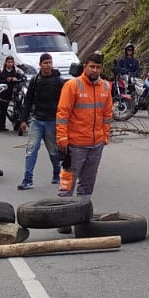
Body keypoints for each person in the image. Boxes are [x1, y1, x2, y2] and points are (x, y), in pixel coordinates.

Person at [56, 52, 114, 197]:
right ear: (85, 67)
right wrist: (62, 138)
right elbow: (63, 114)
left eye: (98, 67)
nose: (95, 70)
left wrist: (104, 136)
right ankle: (61, 207)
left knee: (88, 185)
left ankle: (83, 208)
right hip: (75, 145)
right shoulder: (72, 85)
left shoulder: (106, 87)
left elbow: (107, 115)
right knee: (66, 184)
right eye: (92, 67)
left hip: (96, 145)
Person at [18, 52, 64, 190]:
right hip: (37, 120)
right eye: (45, 63)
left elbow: (65, 103)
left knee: (54, 151)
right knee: (31, 149)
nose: (48, 65)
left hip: (52, 121)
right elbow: (28, 101)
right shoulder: (35, 80)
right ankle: (27, 179)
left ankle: (57, 172)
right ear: (40, 65)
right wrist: (23, 120)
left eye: (50, 62)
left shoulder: (59, 81)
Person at [0, 55, 27, 135]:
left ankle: (5, 125)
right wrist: (7, 80)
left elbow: (21, 78)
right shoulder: (2, 71)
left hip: (11, 91)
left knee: (6, 109)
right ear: (5, 63)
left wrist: (16, 79)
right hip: (2, 92)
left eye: (11, 62)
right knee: (0, 109)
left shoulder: (16, 71)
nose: (10, 64)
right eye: (8, 62)